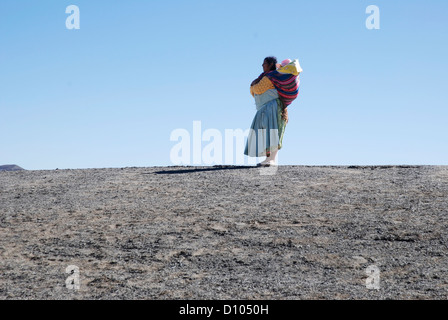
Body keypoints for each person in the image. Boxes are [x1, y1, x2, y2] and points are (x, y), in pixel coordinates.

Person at [244, 56, 302, 166]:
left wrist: (252, 85)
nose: (262, 65)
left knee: (272, 131)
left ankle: (271, 159)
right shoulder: (268, 77)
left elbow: (257, 89)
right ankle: (269, 159)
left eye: (264, 63)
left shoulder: (270, 77)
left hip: (272, 107)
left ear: (270, 64)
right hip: (267, 108)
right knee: (268, 132)